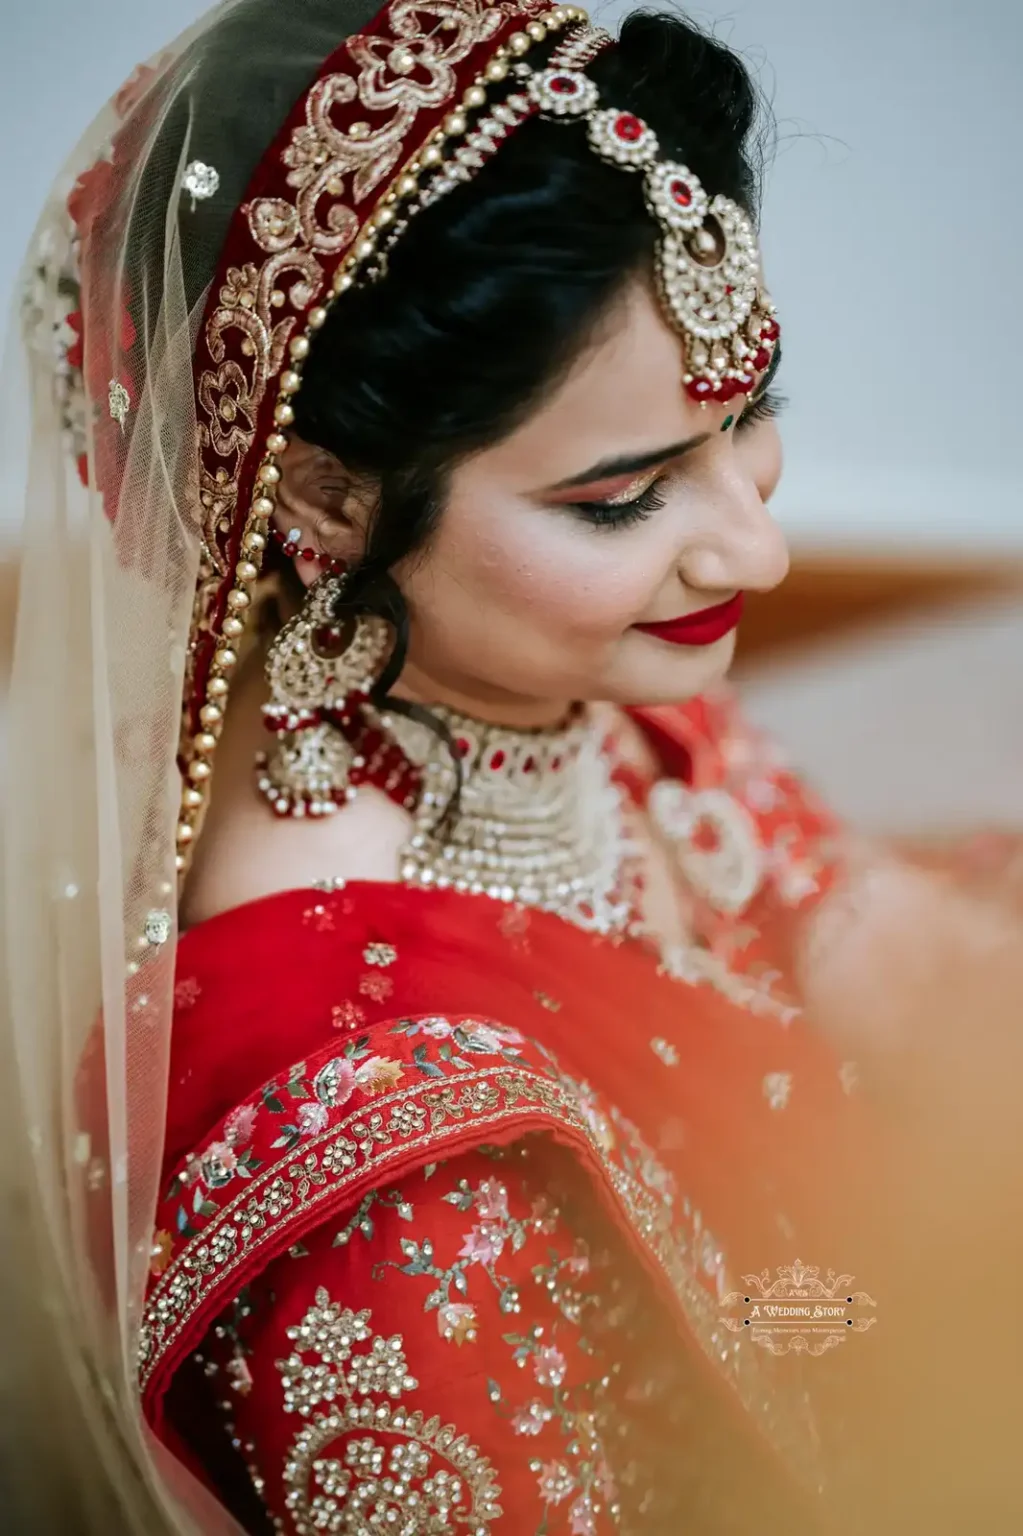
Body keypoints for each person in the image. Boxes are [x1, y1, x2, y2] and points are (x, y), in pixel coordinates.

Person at [3, 2, 1022, 1533]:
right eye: (621, 497)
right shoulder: (375, 1128)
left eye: (751, 421)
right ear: (327, 497)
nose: (757, 541)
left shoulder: (553, 667)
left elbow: (828, 915)